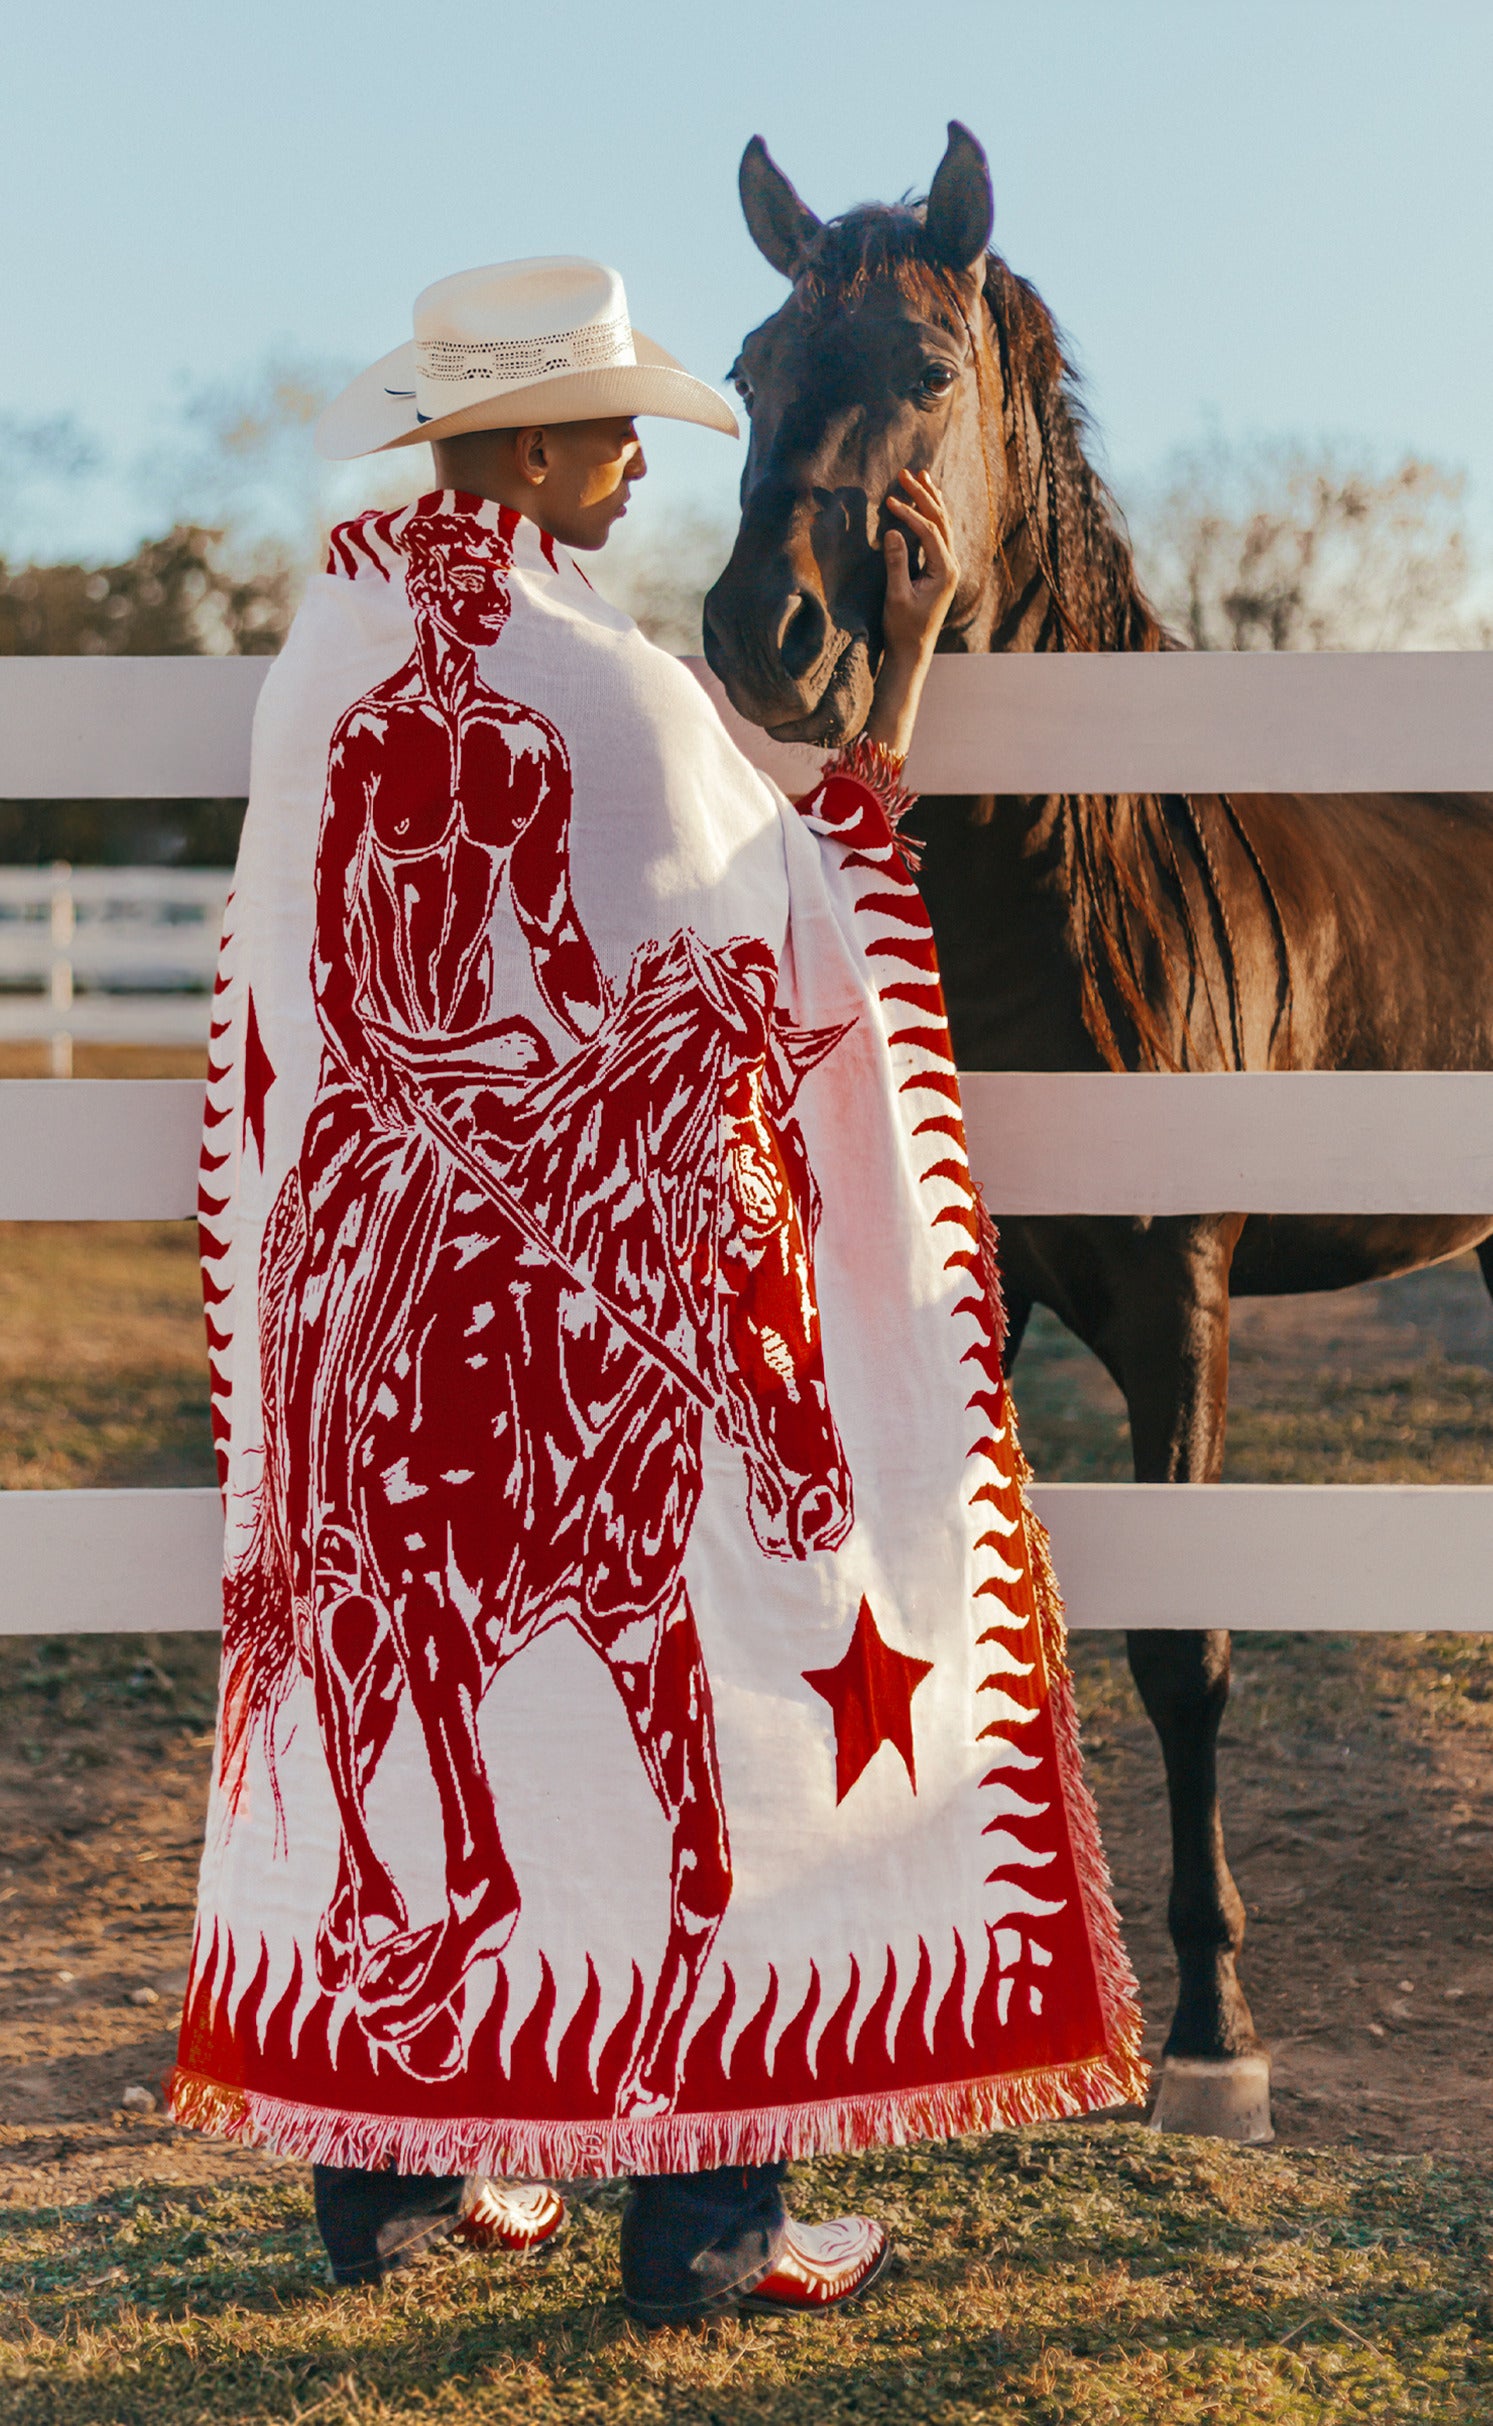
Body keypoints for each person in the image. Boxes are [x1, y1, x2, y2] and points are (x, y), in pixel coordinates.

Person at [171, 257, 1143, 2327]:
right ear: (529, 450)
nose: (644, 464)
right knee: (711, 1588)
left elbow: (322, 985)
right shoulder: (592, 688)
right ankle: (710, 2222)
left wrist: (457, 1082)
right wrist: (849, 832)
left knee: (337, 1542)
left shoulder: (312, 666)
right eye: (619, 431)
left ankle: (393, 2172)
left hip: (374, 1164)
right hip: (488, 1140)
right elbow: (742, 917)